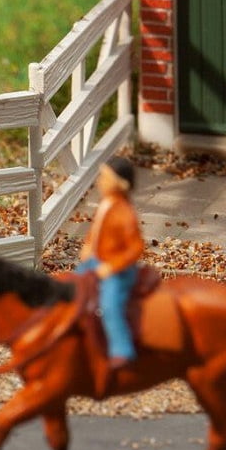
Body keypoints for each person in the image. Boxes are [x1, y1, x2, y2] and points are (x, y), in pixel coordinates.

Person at [77, 155, 145, 370]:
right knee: (73, 285)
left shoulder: (125, 213)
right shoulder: (107, 203)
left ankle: (122, 350)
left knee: (110, 304)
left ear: (120, 184)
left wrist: (111, 267)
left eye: (105, 177)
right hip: (97, 259)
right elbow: (97, 231)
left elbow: (135, 248)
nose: (100, 181)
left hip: (118, 270)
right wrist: (88, 246)